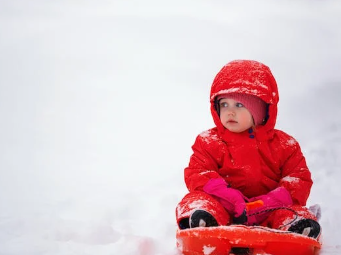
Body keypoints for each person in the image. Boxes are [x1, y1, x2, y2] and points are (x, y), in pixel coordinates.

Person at [175, 60, 321, 239]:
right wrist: (228, 196)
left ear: (260, 110)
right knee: (196, 200)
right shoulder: (208, 141)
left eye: (239, 105)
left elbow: (298, 178)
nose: (230, 112)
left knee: (293, 210)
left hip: (272, 209)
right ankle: (202, 222)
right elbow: (198, 173)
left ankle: (295, 227)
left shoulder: (285, 145)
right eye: (224, 104)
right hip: (225, 206)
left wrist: (269, 202)